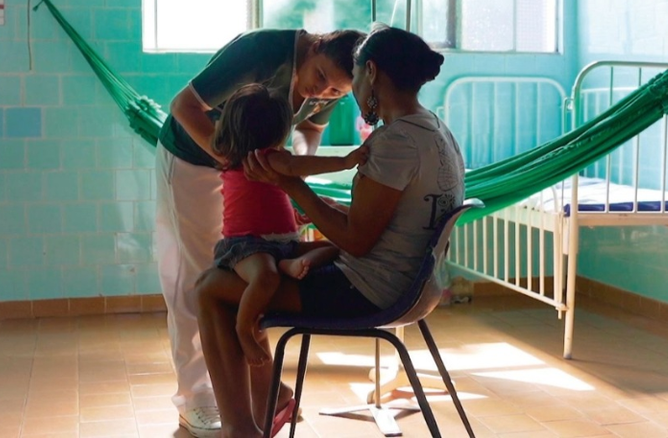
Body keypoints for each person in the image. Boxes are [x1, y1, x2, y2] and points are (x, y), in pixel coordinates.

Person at [195, 24, 466, 438]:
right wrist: (323, 206)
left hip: (372, 290)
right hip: (418, 284)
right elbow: (388, 217)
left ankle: (241, 429)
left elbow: (357, 240)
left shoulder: (396, 142)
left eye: (352, 80)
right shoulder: (434, 128)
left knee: (211, 289)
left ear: (371, 73)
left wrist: (291, 185)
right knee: (235, 286)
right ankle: (270, 399)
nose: (349, 93)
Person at [155, 27, 365, 437]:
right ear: (315, 46)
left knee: (241, 285)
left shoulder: (330, 82)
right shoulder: (260, 51)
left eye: (336, 92)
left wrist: (285, 172)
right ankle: (195, 399)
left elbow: (308, 132)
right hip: (193, 159)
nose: (322, 93)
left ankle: (264, 393)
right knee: (195, 277)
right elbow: (183, 106)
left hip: (251, 174)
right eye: (320, 78)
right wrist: (232, 160)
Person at [210, 83, 368, 367]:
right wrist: (345, 162)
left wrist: (293, 218)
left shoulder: (250, 158)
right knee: (265, 277)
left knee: (334, 247)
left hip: (282, 245)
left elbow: (267, 199)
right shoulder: (267, 158)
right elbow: (298, 168)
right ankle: (244, 327)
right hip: (246, 247)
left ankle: (289, 265)